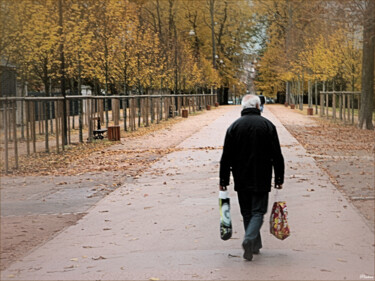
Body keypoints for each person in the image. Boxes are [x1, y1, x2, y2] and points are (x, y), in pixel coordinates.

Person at [219, 94, 285, 261]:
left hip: (241, 176)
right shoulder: (268, 126)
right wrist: (279, 178)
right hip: (262, 176)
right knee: (258, 211)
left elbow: (226, 157)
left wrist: (223, 181)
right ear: (258, 107)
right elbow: (277, 155)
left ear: (242, 107)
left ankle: (254, 246)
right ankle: (249, 240)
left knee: (247, 212)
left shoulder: (234, 127)